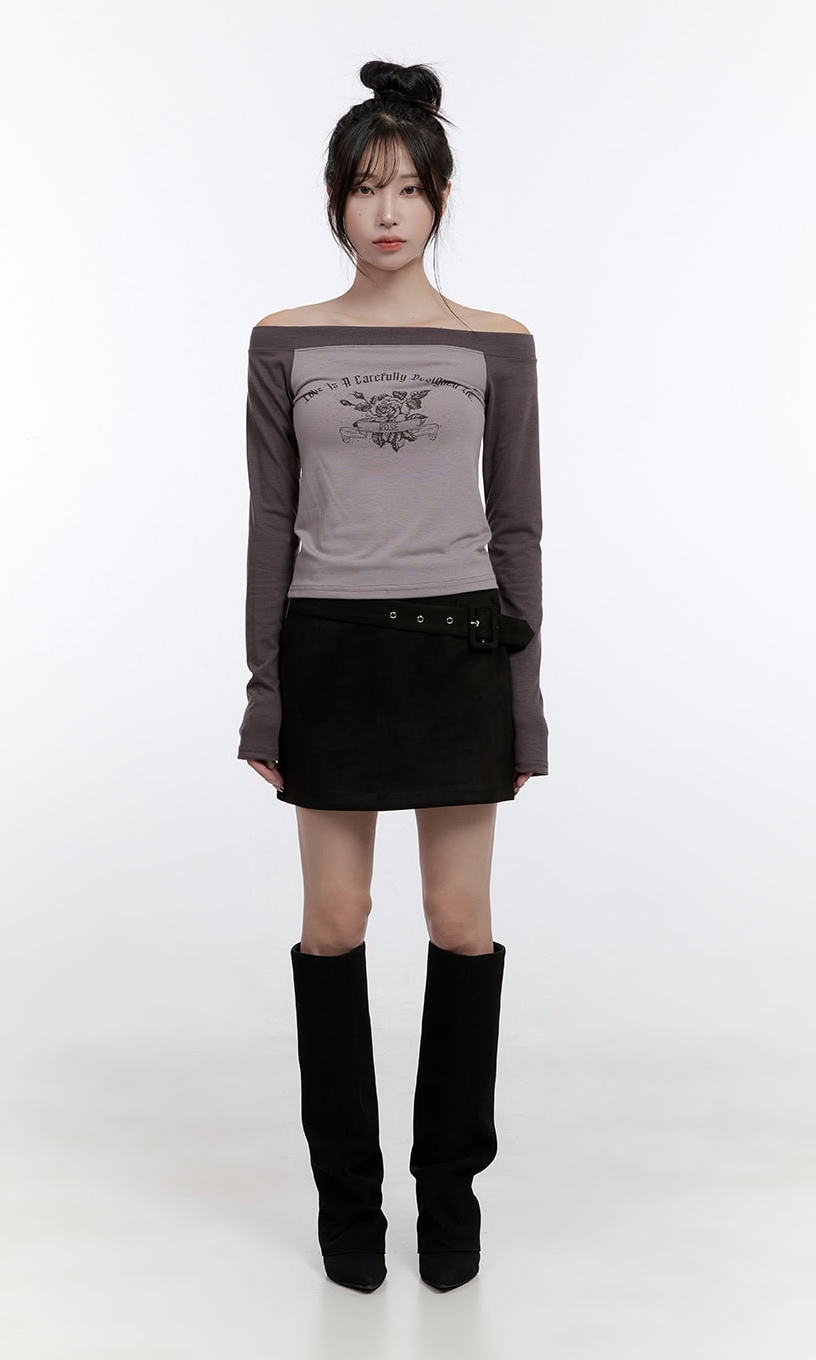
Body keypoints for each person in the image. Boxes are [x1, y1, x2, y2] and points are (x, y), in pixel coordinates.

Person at [237, 59, 548, 1293]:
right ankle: (348, 1197)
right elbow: (271, 520)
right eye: (365, 187)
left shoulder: (496, 345)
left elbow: (517, 527)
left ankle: (449, 1188)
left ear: (441, 200)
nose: (386, 210)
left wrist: (523, 705)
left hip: (460, 645)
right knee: (335, 923)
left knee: (459, 924)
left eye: (409, 188)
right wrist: (264, 691)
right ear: (335, 199)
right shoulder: (284, 340)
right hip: (330, 647)